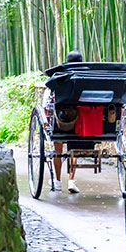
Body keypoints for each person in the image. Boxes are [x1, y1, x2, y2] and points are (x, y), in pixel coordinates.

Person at [51, 50, 83, 193]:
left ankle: (57, 181)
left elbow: (48, 102)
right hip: (83, 121)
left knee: (58, 149)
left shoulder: (59, 78)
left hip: (62, 121)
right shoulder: (88, 78)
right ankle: (71, 181)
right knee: (74, 150)